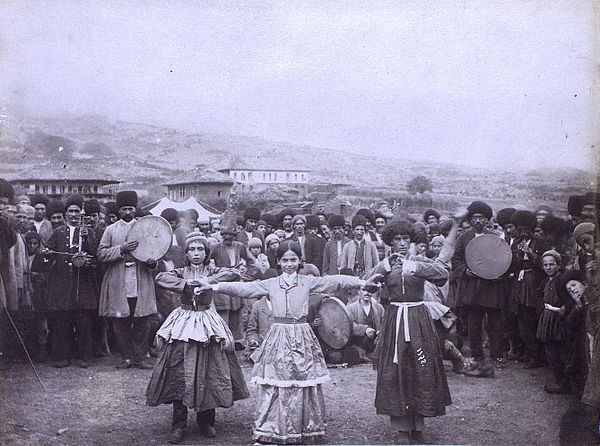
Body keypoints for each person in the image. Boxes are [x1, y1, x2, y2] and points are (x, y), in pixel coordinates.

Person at [196, 241, 381, 444]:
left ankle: (304, 426)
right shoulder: (271, 283)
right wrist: (214, 286)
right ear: (278, 261)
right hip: (279, 335)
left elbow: (334, 280)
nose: (289, 264)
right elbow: (245, 288)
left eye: (293, 259)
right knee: (276, 382)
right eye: (285, 260)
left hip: (302, 335)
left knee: (302, 380)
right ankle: (272, 429)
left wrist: (361, 283)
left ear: (300, 261)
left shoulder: (308, 282)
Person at [146, 232, 249, 444]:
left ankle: (206, 421)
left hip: (207, 322)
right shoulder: (180, 272)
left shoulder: (213, 270)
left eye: (200, 249)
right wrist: (185, 284)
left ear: (206, 252)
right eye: (192, 249)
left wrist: (208, 281)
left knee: (209, 368)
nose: (196, 253)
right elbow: (160, 277)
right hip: (184, 321)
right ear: (186, 253)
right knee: (179, 369)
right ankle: (179, 423)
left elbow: (233, 274)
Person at [365, 218, 451, 444]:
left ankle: (419, 425)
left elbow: (442, 275)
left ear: (411, 241)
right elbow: (367, 285)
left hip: (418, 320)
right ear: (390, 242)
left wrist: (416, 267)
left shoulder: (420, 261)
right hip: (394, 321)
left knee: (420, 368)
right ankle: (403, 428)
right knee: (395, 370)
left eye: (406, 239)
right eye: (397, 239)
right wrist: (383, 268)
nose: (402, 243)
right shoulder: (385, 264)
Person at [97, 191, 157, 369]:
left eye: (130, 208)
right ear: (119, 210)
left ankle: (140, 357)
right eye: (124, 209)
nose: (128, 212)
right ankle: (126, 358)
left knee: (143, 320)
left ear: (135, 208)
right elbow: (101, 253)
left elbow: (156, 250)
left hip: (141, 278)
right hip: (118, 280)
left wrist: (153, 262)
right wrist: (121, 249)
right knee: (120, 321)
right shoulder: (111, 230)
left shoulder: (144, 227)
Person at [44, 194, 99, 368]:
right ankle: (62, 356)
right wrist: (47, 254)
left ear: (81, 213)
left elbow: (95, 254)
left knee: (83, 321)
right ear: (66, 214)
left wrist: (87, 240)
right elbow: (49, 251)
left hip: (83, 283)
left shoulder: (88, 231)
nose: (74, 215)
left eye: (77, 211)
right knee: (63, 321)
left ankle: (83, 356)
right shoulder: (58, 231)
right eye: (71, 211)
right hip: (62, 284)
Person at [452, 200, 506, 377]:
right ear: (470, 220)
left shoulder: (495, 238)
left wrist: (498, 273)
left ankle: (497, 356)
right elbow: (456, 260)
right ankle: (477, 356)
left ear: (487, 220)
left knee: (496, 325)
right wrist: (466, 271)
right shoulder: (464, 238)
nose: (478, 221)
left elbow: (503, 260)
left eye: (482, 218)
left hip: (492, 288)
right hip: (473, 288)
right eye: (474, 217)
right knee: (474, 325)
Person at [346, 289, 385, 363]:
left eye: (369, 290)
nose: (367, 293)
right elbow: (349, 324)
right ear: (358, 291)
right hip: (359, 342)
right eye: (363, 290)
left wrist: (381, 331)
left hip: (376, 341)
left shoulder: (379, 307)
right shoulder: (350, 308)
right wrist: (364, 329)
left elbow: (384, 321)